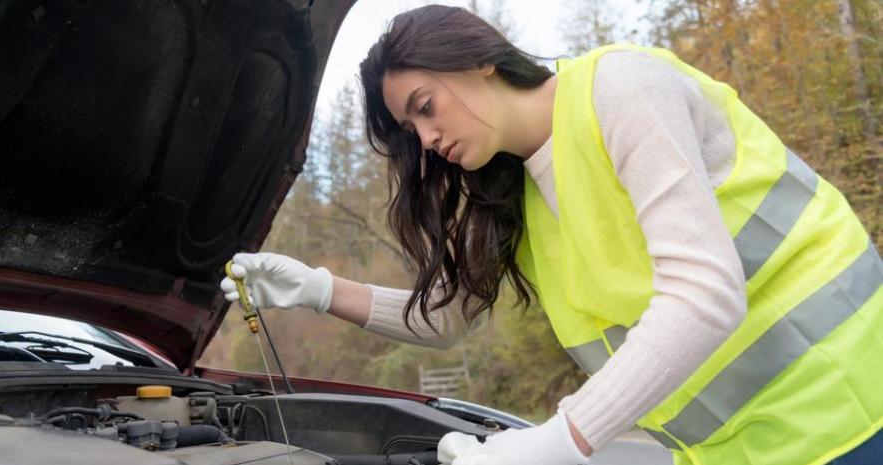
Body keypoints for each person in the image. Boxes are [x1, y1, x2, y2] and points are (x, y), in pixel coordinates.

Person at [220, 5, 882, 465]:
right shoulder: (516, 195)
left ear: (477, 60)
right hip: (740, 449)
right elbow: (447, 318)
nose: (426, 138)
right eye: (411, 132)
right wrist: (317, 287)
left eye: (425, 106)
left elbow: (706, 293)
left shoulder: (621, 89)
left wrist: (562, 437)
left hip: (853, 409)